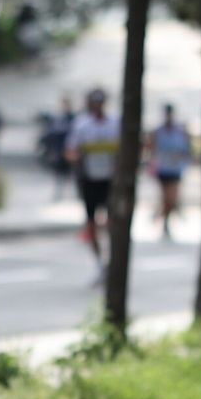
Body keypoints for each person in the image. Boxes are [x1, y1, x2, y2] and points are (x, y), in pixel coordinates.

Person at [64, 87, 120, 282]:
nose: (97, 107)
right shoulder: (82, 125)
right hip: (89, 181)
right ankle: (99, 263)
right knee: (91, 224)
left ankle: (112, 261)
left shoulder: (115, 123)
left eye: (100, 102)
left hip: (111, 181)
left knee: (112, 222)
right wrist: (78, 157)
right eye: (94, 103)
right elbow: (70, 151)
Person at [146, 103, 192, 240]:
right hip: (162, 169)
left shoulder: (181, 131)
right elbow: (150, 149)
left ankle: (160, 215)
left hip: (176, 169)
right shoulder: (158, 132)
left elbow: (187, 149)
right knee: (166, 198)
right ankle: (164, 220)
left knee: (171, 198)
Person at [37, 95, 76, 201]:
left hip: (69, 150)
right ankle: (59, 193)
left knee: (71, 173)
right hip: (60, 151)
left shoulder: (73, 118)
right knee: (59, 173)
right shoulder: (58, 119)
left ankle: (70, 194)